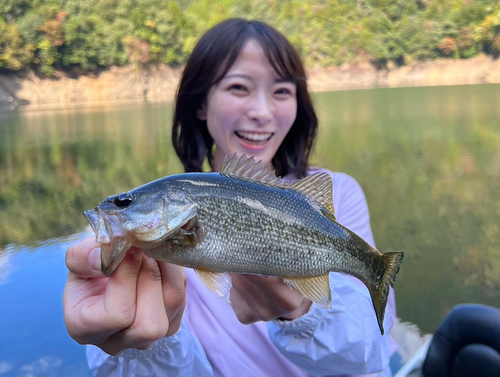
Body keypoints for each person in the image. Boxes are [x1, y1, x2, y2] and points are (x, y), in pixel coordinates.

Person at [63, 18, 398, 376]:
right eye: (239, 87)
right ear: (201, 103)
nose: (262, 111)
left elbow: (371, 356)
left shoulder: (339, 191)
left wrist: (302, 312)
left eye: (282, 91)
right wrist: (139, 343)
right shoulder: (152, 250)